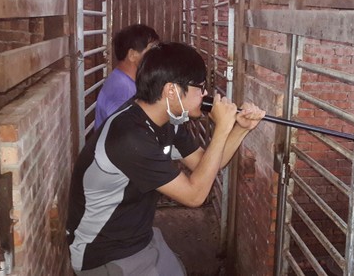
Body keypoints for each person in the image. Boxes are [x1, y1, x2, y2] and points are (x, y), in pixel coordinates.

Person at [66, 42, 265, 275]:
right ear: (171, 91)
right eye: (199, 87)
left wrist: (240, 129)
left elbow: (208, 164)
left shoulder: (167, 119)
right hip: (104, 254)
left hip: (138, 236)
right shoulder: (129, 138)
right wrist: (222, 128)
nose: (205, 95)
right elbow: (195, 195)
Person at [94, 24, 159, 129]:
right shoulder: (121, 90)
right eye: (152, 48)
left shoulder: (125, 81)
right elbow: (126, 134)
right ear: (132, 55)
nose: (156, 55)